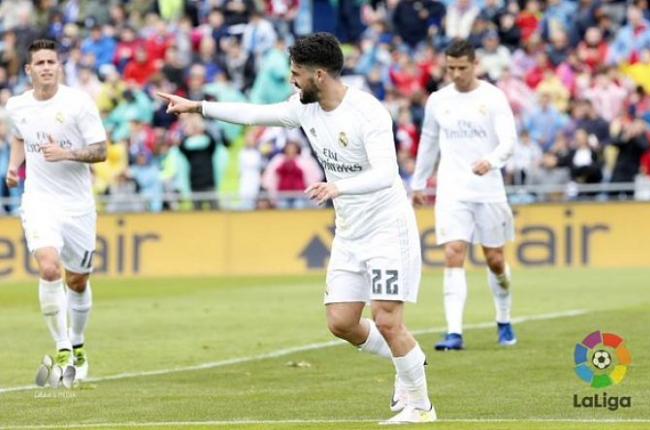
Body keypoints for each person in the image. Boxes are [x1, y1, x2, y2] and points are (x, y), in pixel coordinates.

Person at [158, 32, 436, 424]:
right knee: (341, 322)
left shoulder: (367, 112)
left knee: (389, 319)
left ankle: (421, 406)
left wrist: (338, 186)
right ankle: (408, 359)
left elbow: (388, 173)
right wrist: (197, 107)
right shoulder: (305, 108)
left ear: (319, 75)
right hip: (349, 231)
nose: (292, 80)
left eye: (296, 73)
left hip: (387, 228)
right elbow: (255, 114)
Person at [5, 39, 107, 386]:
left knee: (77, 280)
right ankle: (62, 347)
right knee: (49, 268)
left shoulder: (78, 103)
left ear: (59, 66)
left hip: (77, 205)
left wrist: (67, 154)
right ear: (29, 70)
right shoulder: (17, 106)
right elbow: (18, 136)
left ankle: (79, 345)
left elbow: (101, 150)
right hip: (39, 200)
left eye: (52, 61)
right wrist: (14, 166)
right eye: (41, 62)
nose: (47, 66)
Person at [411, 39, 518, 351]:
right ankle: (454, 332)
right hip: (452, 189)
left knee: (495, 259)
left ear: (475, 65)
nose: (456, 74)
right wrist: (419, 183)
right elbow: (428, 142)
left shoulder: (493, 97)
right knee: (453, 252)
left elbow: (508, 141)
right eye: (450, 68)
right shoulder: (438, 100)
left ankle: (504, 318)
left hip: (488, 189)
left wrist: (492, 160)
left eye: (462, 68)